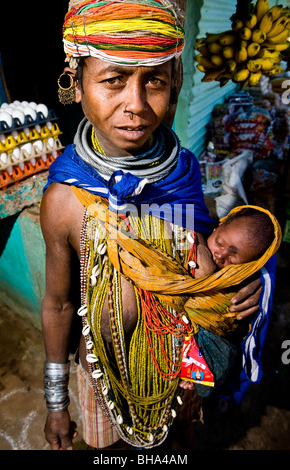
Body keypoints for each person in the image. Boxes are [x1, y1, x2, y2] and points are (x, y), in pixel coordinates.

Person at [40, 0, 267, 451]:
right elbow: (59, 306)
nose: (137, 105)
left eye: (156, 82)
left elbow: (203, 246)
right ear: (77, 83)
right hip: (100, 376)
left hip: (182, 375)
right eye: (112, 80)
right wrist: (56, 402)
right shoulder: (64, 202)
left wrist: (240, 283)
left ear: (174, 86)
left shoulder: (180, 170)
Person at [180, 205, 280, 391]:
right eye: (218, 242)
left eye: (232, 259)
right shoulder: (195, 225)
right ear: (218, 225)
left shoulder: (242, 279)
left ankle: (199, 375)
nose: (220, 255)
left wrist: (265, 275)